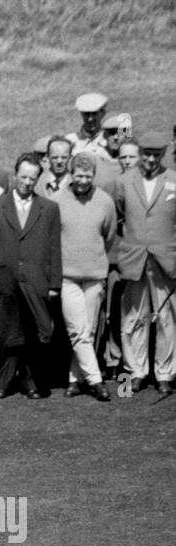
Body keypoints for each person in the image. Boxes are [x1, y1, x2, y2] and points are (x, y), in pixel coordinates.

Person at [0, 153, 63, 399]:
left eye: (33, 178)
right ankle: (3, 380)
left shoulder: (49, 208)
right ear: (15, 175)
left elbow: (54, 248)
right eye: (23, 177)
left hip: (36, 279)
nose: (27, 182)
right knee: (8, 332)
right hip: (5, 279)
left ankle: (30, 381)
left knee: (32, 333)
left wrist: (54, 284)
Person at [115, 133, 176, 395]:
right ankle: (134, 372)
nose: (151, 159)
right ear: (139, 153)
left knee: (167, 317)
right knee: (133, 317)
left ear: (164, 154)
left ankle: (165, 374)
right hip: (134, 258)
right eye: (147, 154)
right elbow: (117, 216)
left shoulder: (174, 179)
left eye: (157, 155)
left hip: (166, 260)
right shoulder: (123, 181)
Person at [54, 154, 117, 401]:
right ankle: (96, 380)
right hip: (68, 276)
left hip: (94, 275)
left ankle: (75, 379)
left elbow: (109, 235)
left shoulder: (105, 201)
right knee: (77, 330)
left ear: (94, 176)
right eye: (78, 175)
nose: (82, 181)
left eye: (87, 176)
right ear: (71, 175)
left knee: (88, 331)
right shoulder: (57, 199)